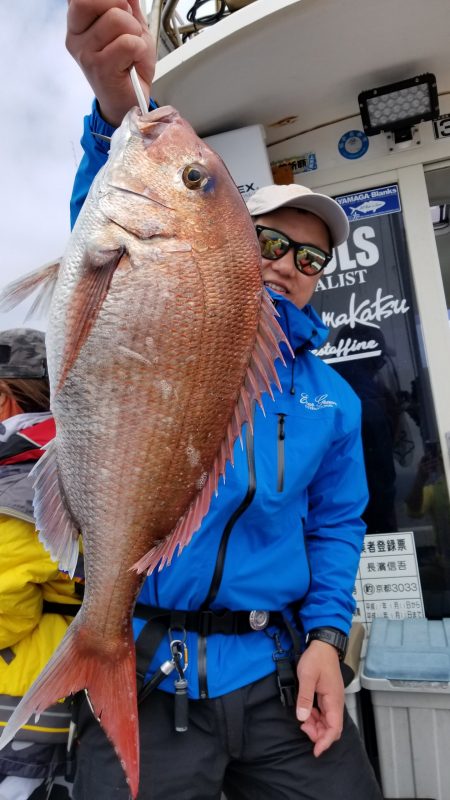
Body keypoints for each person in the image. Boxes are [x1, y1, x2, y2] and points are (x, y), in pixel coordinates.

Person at [64, 2, 383, 798]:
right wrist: (112, 109)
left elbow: (336, 525)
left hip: (274, 675)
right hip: (151, 672)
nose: (289, 264)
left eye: (311, 257)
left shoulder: (332, 403)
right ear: (235, 242)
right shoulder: (175, 302)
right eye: (273, 240)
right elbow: (109, 270)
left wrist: (327, 640)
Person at [0, 329, 83, 800]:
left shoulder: (13, 482)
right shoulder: (83, 465)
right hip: (70, 703)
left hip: (16, 711)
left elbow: (5, 613)